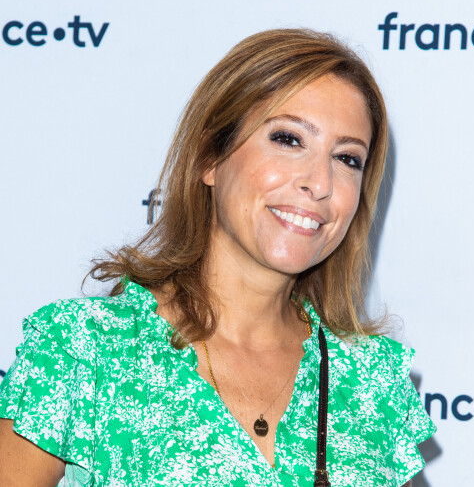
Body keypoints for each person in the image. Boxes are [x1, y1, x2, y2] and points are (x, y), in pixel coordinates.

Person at [0, 28, 435, 486]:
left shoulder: (373, 383)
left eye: (347, 159)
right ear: (210, 157)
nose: (320, 182)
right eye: (288, 139)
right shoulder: (81, 349)